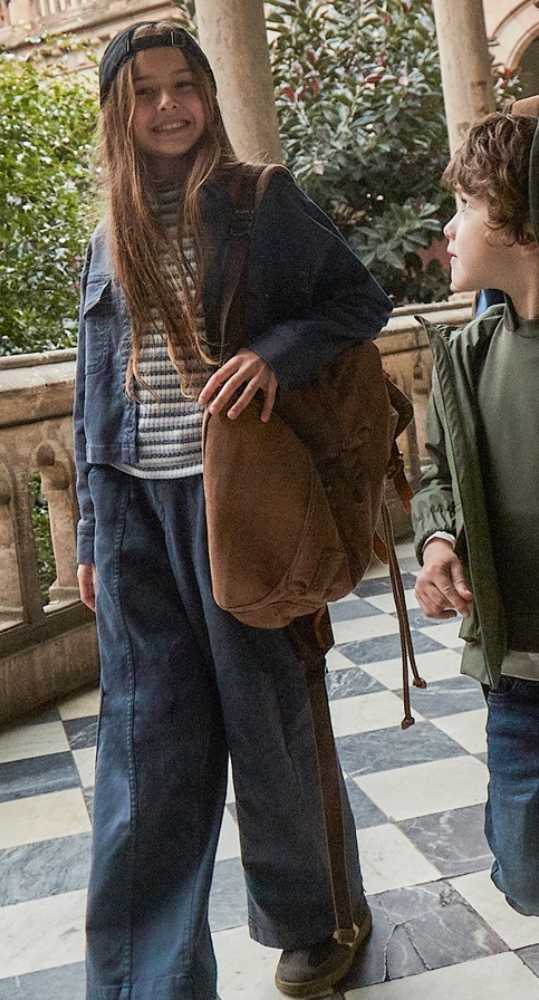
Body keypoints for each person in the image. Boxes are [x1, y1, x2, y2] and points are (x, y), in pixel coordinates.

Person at [74, 21, 393, 1000]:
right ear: (117, 111)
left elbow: (359, 302)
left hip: (244, 504)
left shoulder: (260, 200)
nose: (169, 105)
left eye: (185, 85)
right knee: (144, 748)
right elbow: (92, 394)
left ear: (209, 94)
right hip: (135, 515)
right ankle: (148, 977)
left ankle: (315, 921)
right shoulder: (106, 235)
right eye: (145, 91)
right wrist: (90, 531)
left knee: (271, 722)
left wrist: (272, 353)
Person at [412, 109, 539, 917]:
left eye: (467, 205)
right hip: (519, 672)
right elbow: (439, 475)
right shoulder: (469, 355)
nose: (450, 229)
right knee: (524, 870)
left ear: (523, 218)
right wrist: (437, 540)